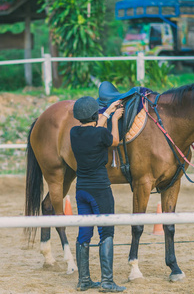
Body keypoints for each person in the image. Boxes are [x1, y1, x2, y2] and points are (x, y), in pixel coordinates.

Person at [70, 96, 126, 292]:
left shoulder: (74, 132)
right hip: (100, 190)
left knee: (84, 233)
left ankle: (84, 280)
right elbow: (114, 141)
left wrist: (108, 110)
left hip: (81, 190)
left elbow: (94, 129)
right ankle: (107, 282)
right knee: (106, 233)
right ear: (94, 115)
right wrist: (115, 120)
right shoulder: (101, 135)